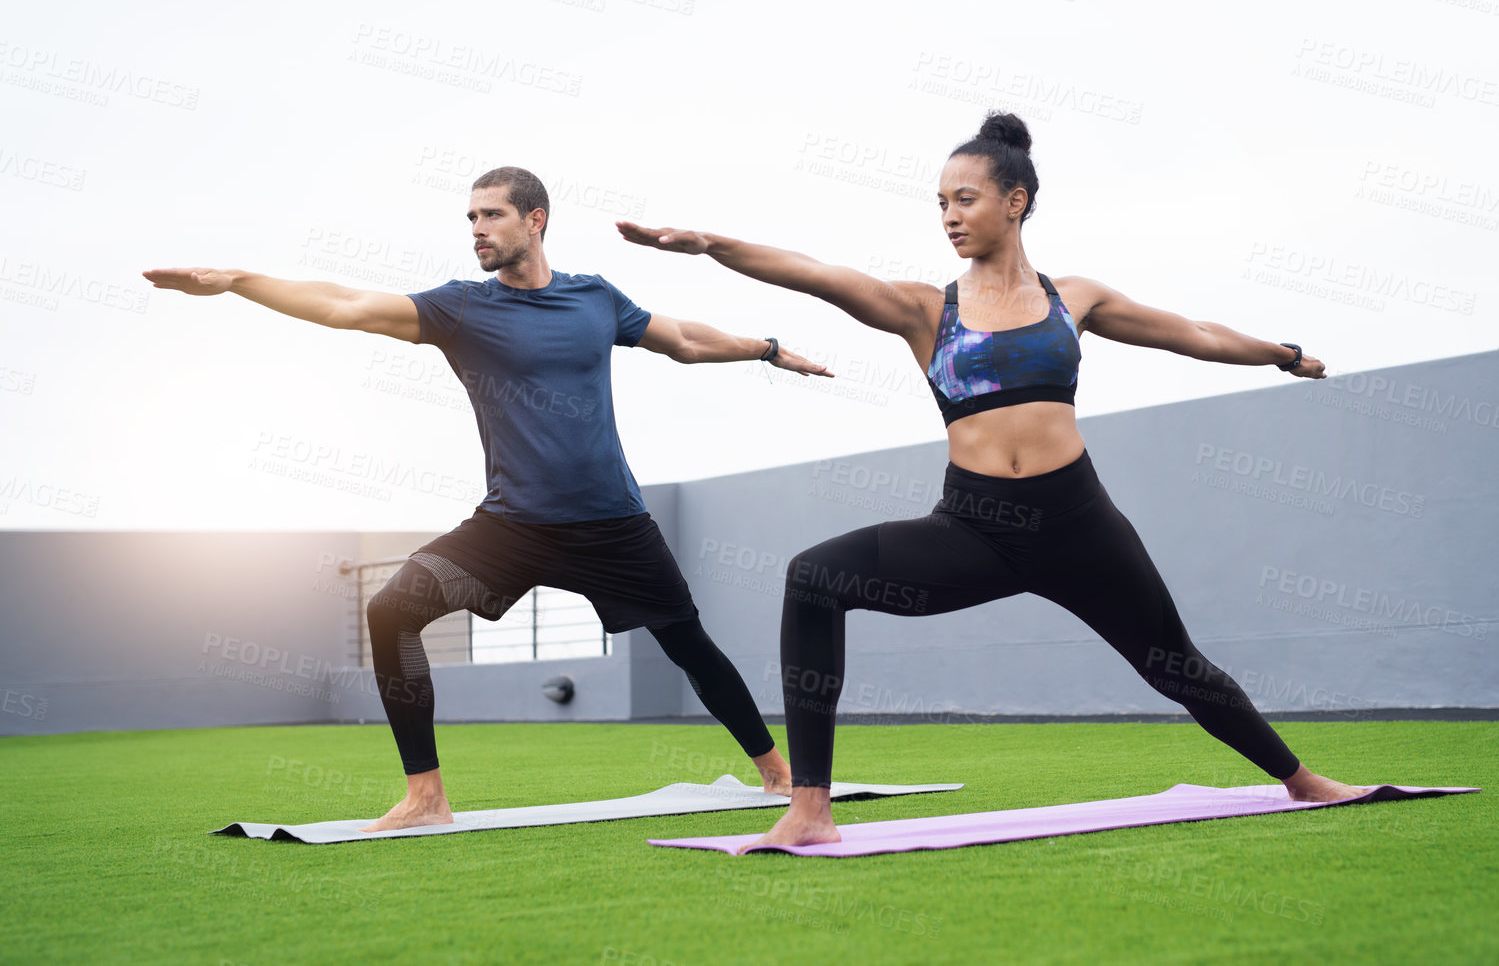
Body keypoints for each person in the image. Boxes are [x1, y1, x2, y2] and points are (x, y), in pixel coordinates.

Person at [617, 112, 1367, 849]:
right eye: (940, 202)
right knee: (814, 577)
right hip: (974, 527)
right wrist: (710, 244)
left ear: (1015, 201)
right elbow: (816, 275)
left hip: (1079, 525)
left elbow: (1194, 334)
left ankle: (1299, 779)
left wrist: (1281, 351)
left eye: (964, 198)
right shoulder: (923, 309)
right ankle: (810, 804)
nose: (948, 215)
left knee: (1175, 664)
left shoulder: (1073, 298)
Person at [145, 166, 824, 830]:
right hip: (513, 525)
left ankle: (775, 773)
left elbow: (683, 340)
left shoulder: (594, 298)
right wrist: (239, 282)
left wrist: (764, 348)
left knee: (687, 642)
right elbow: (347, 306)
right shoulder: (462, 307)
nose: (476, 228)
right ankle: (425, 795)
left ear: (536, 219)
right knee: (392, 609)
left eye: (490, 213)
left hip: (613, 522)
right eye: (470, 216)